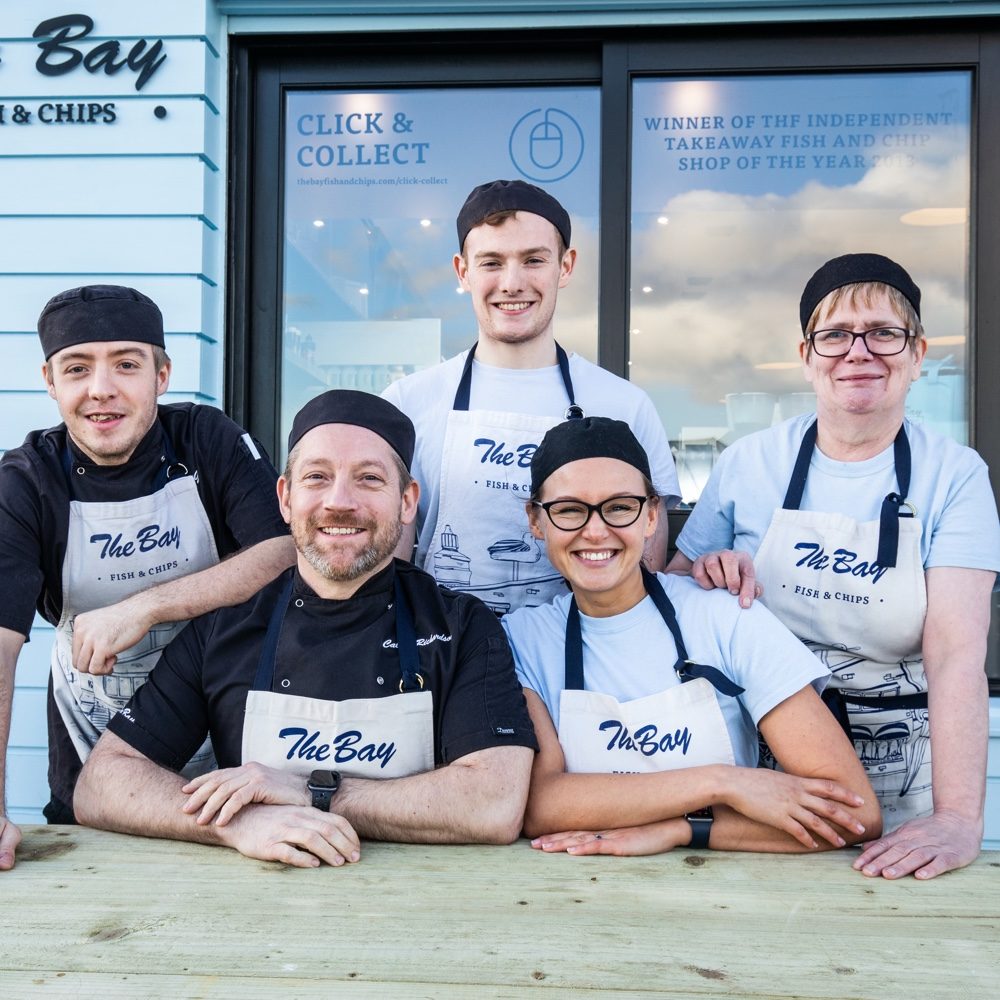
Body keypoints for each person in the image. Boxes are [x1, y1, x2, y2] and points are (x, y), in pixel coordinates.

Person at [74, 391, 537, 867]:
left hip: (422, 899)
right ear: (285, 498)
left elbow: (494, 802)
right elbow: (101, 783)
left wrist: (311, 791)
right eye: (317, 477)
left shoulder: (461, 626)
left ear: (406, 502)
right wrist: (236, 823)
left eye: (369, 478)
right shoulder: (224, 629)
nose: (339, 502)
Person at [668, 253, 1000, 879]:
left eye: (883, 333)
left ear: (917, 353)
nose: (858, 352)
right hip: (763, 781)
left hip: (906, 788)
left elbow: (956, 654)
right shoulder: (748, 463)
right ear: (807, 354)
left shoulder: (955, 476)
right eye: (836, 335)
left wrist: (957, 817)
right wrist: (708, 574)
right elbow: (672, 602)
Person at [0, 285, 295, 871]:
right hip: (92, 739)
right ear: (50, 381)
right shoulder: (25, 482)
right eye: (76, 368)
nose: (101, 388)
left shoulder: (208, 440)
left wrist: (144, 607)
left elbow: (283, 552)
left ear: (162, 375)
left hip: (224, 737)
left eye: (126, 365)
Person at [501, 416, 879, 858]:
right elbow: (540, 805)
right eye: (569, 510)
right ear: (536, 520)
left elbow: (854, 812)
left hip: (728, 889)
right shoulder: (521, 640)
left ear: (651, 516)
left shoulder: (727, 617)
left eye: (620, 507)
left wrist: (680, 830)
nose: (596, 530)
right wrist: (721, 782)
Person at [383, 179, 680, 617]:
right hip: (444, 645)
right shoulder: (407, 403)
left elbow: (645, 566)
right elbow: (388, 562)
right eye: (491, 262)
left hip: (581, 648)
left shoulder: (625, 406)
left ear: (565, 266)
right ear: (463, 272)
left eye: (534, 260)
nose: (512, 283)